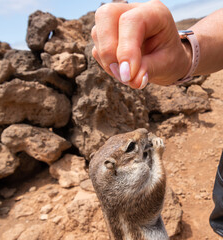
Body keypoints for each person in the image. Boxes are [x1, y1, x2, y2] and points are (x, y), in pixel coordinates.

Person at [91, 0, 223, 237]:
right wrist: (185, 53)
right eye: (132, 147)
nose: (143, 133)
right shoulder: (125, 194)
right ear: (112, 170)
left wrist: (158, 159)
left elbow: (153, 201)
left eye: (131, 147)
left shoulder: (128, 191)